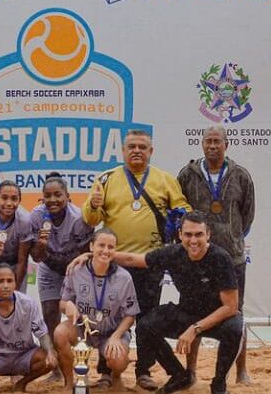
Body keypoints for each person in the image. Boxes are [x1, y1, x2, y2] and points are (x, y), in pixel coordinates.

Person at [69, 211, 243, 394]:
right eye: (188, 234)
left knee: (236, 328)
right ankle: (179, 375)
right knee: (145, 326)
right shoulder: (173, 253)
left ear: (208, 235)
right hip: (187, 312)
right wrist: (95, 255)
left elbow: (230, 307)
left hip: (216, 318)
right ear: (180, 235)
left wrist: (195, 329)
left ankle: (219, 385)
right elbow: (133, 259)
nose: (193, 240)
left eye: (198, 234)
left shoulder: (220, 258)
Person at [81, 129, 190, 390]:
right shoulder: (106, 179)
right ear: (123, 150)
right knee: (109, 316)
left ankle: (144, 371)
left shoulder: (165, 180)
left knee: (147, 319)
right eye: (131, 146)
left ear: (151, 151)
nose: (137, 151)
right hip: (114, 263)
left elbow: (183, 210)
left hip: (150, 262)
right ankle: (105, 371)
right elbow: (90, 220)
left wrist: (180, 214)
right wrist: (94, 204)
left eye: (142, 147)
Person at [177, 124, 255, 385]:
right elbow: (180, 211)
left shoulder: (241, 176)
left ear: (226, 145)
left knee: (236, 313)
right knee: (193, 312)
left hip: (232, 257)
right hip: (197, 258)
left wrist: (230, 237)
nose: (212, 146)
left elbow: (247, 215)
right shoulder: (187, 175)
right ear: (201, 144)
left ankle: (241, 370)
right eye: (208, 141)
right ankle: (190, 372)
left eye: (217, 141)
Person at [54, 229, 139, 391]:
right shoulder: (75, 270)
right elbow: (63, 302)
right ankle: (71, 381)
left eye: (111, 247)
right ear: (91, 246)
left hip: (111, 332)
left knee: (119, 359)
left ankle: (115, 377)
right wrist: (67, 305)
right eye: (101, 245)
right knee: (60, 333)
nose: (106, 251)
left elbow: (130, 315)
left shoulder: (124, 277)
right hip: (83, 329)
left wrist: (116, 336)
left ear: (115, 250)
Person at [29, 172, 93, 381]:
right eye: (48, 195)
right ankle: (54, 367)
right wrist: (41, 244)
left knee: (80, 315)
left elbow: (85, 252)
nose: (53, 200)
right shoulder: (36, 216)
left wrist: (73, 271)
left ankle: (81, 362)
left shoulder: (78, 218)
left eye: (58, 195)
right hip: (48, 267)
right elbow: (36, 258)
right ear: (42, 198)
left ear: (68, 196)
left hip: (74, 268)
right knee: (49, 314)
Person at [0, 263, 58, 392]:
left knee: (49, 358)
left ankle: (22, 383)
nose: (6, 286)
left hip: (23, 356)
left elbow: (42, 334)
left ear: (15, 284)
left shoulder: (28, 304)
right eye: (0, 281)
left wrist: (49, 352)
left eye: (10, 281)